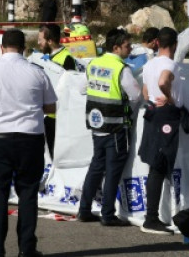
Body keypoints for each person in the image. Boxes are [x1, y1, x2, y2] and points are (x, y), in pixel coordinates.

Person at [0, 29, 57, 257]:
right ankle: (27, 249)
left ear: (1, 47)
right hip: (30, 140)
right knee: (28, 194)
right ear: (24, 48)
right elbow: (50, 107)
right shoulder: (37, 72)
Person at [77, 28, 141, 227]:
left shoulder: (93, 63)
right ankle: (107, 214)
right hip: (116, 128)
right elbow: (136, 95)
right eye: (127, 45)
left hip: (97, 125)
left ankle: (84, 210)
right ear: (116, 47)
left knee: (96, 167)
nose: (130, 49)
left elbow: (81, 88)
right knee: (113, 171)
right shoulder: (122, 68)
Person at [138, 27, 181, 235]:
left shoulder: (149, 64)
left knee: (155, 165)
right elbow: (164, 81)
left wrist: (155, 98)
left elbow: (145, 92)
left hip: (152, 113)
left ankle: (152, 216)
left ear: (157, 43)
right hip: (166, 116)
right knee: (159, 167)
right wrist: (170, 98)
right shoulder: (169, 63)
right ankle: (151, 218)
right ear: (174, 44)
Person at [38, 23, 77, 158]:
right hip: (47, 115)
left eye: (40, 40)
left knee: (58, 156)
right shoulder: (47, 57)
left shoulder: (66, 58)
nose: (38, 43)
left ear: (50, 41)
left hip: (59, 118)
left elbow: (71, 89)